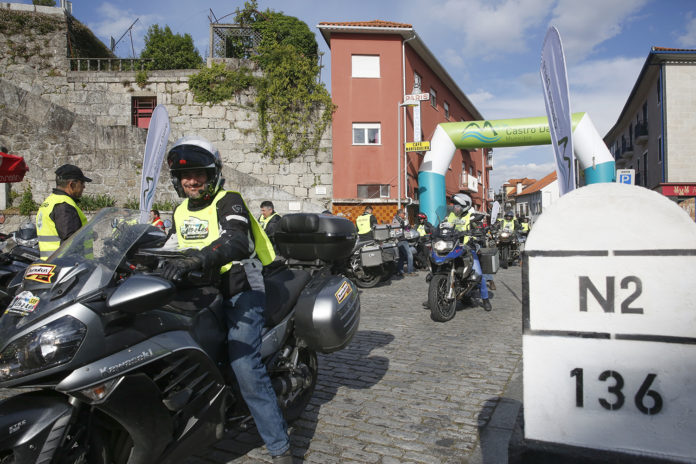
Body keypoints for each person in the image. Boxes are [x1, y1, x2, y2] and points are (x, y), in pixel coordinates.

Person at [160, 135, 293, 463]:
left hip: (241, 289)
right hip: (201, 293)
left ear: (213, 175)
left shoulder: (229, 201)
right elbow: (169, 246)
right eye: (185, 175)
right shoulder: (179, 211)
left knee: (244, 364)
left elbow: (236, 240)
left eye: (199, 174)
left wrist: (198, 258)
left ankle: (280, 448)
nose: (192, 181)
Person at [445, 193, 492, 311]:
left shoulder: (471, 217)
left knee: (478, 274)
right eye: (454, 205)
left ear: (465, 206)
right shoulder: (451, 215)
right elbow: (444, 226)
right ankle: (434, 297)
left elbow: (478, 228)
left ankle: (485, 299)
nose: (455, 208)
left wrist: (478, 232)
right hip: (452, 247)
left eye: (458, 205)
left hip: (467, 248)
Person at [36, 164, 91, 260]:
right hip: (66, 264)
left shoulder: (50, 201)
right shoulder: (64, 206)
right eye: (82, 183)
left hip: (53, 263)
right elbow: (72, 242)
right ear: (72, 185)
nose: (84, 186)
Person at [392, 208, 415, 276]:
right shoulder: (397, 220)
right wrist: (406, 224)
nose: (404, 215)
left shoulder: (398, 219)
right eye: (403, 213)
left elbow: (407, 228)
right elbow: (398, 229)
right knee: (409, 255)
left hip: (400, 240)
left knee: (401, 256)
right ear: (400, 214)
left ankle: (400, 271)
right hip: (401, 239)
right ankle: (410, 271)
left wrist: (407, 226)